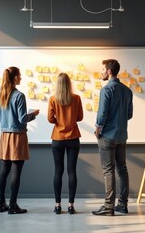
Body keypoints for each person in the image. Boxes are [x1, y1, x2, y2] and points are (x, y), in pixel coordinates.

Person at [0, 66, 40, 214]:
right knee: (16, 173)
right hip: (17, 137)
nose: (21, 78)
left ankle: (2, 204)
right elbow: (22, 119)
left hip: (4, 136)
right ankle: (13, 205)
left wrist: (7, 118)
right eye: (19, 76)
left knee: (4, 170)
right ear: (14, 78)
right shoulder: (19, 96)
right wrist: (33, 114)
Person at [92, 59, 133, 216]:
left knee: (108, 170)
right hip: (122, 136)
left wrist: (98, 129)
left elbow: (102, 114)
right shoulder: (127, 91)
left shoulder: (106, 89)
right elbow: (129, 114)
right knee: (122, 169)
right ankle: (122, 204)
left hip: (107, 136)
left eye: (103, 69)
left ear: (109, 71)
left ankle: (108, 206)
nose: (102, 72)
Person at [47, 73, 84, 215]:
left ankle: (57, 205)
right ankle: (70, 205)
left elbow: (50, 119)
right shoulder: (76, 98)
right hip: (73, 138)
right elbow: (80, 117)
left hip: (57, 139)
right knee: (72, 171)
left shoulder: (52, 99)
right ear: (69, 84)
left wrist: (59, 120)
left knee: (58, 171)